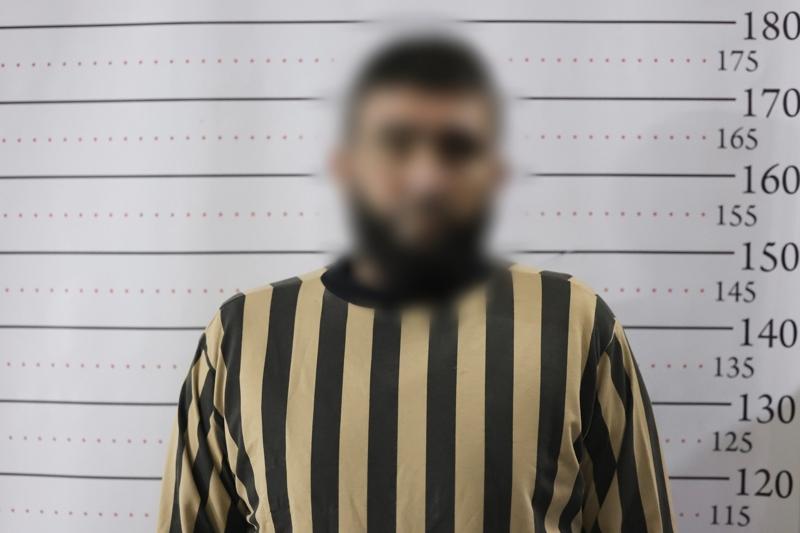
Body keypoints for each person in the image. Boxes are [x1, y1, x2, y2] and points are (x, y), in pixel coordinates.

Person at [156, 33, 676, 533]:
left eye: (457, 148)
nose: (426, 177)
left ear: (494, 171)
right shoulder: (246, 333)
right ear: (346, 166)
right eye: (395, 144)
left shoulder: (573, 322)